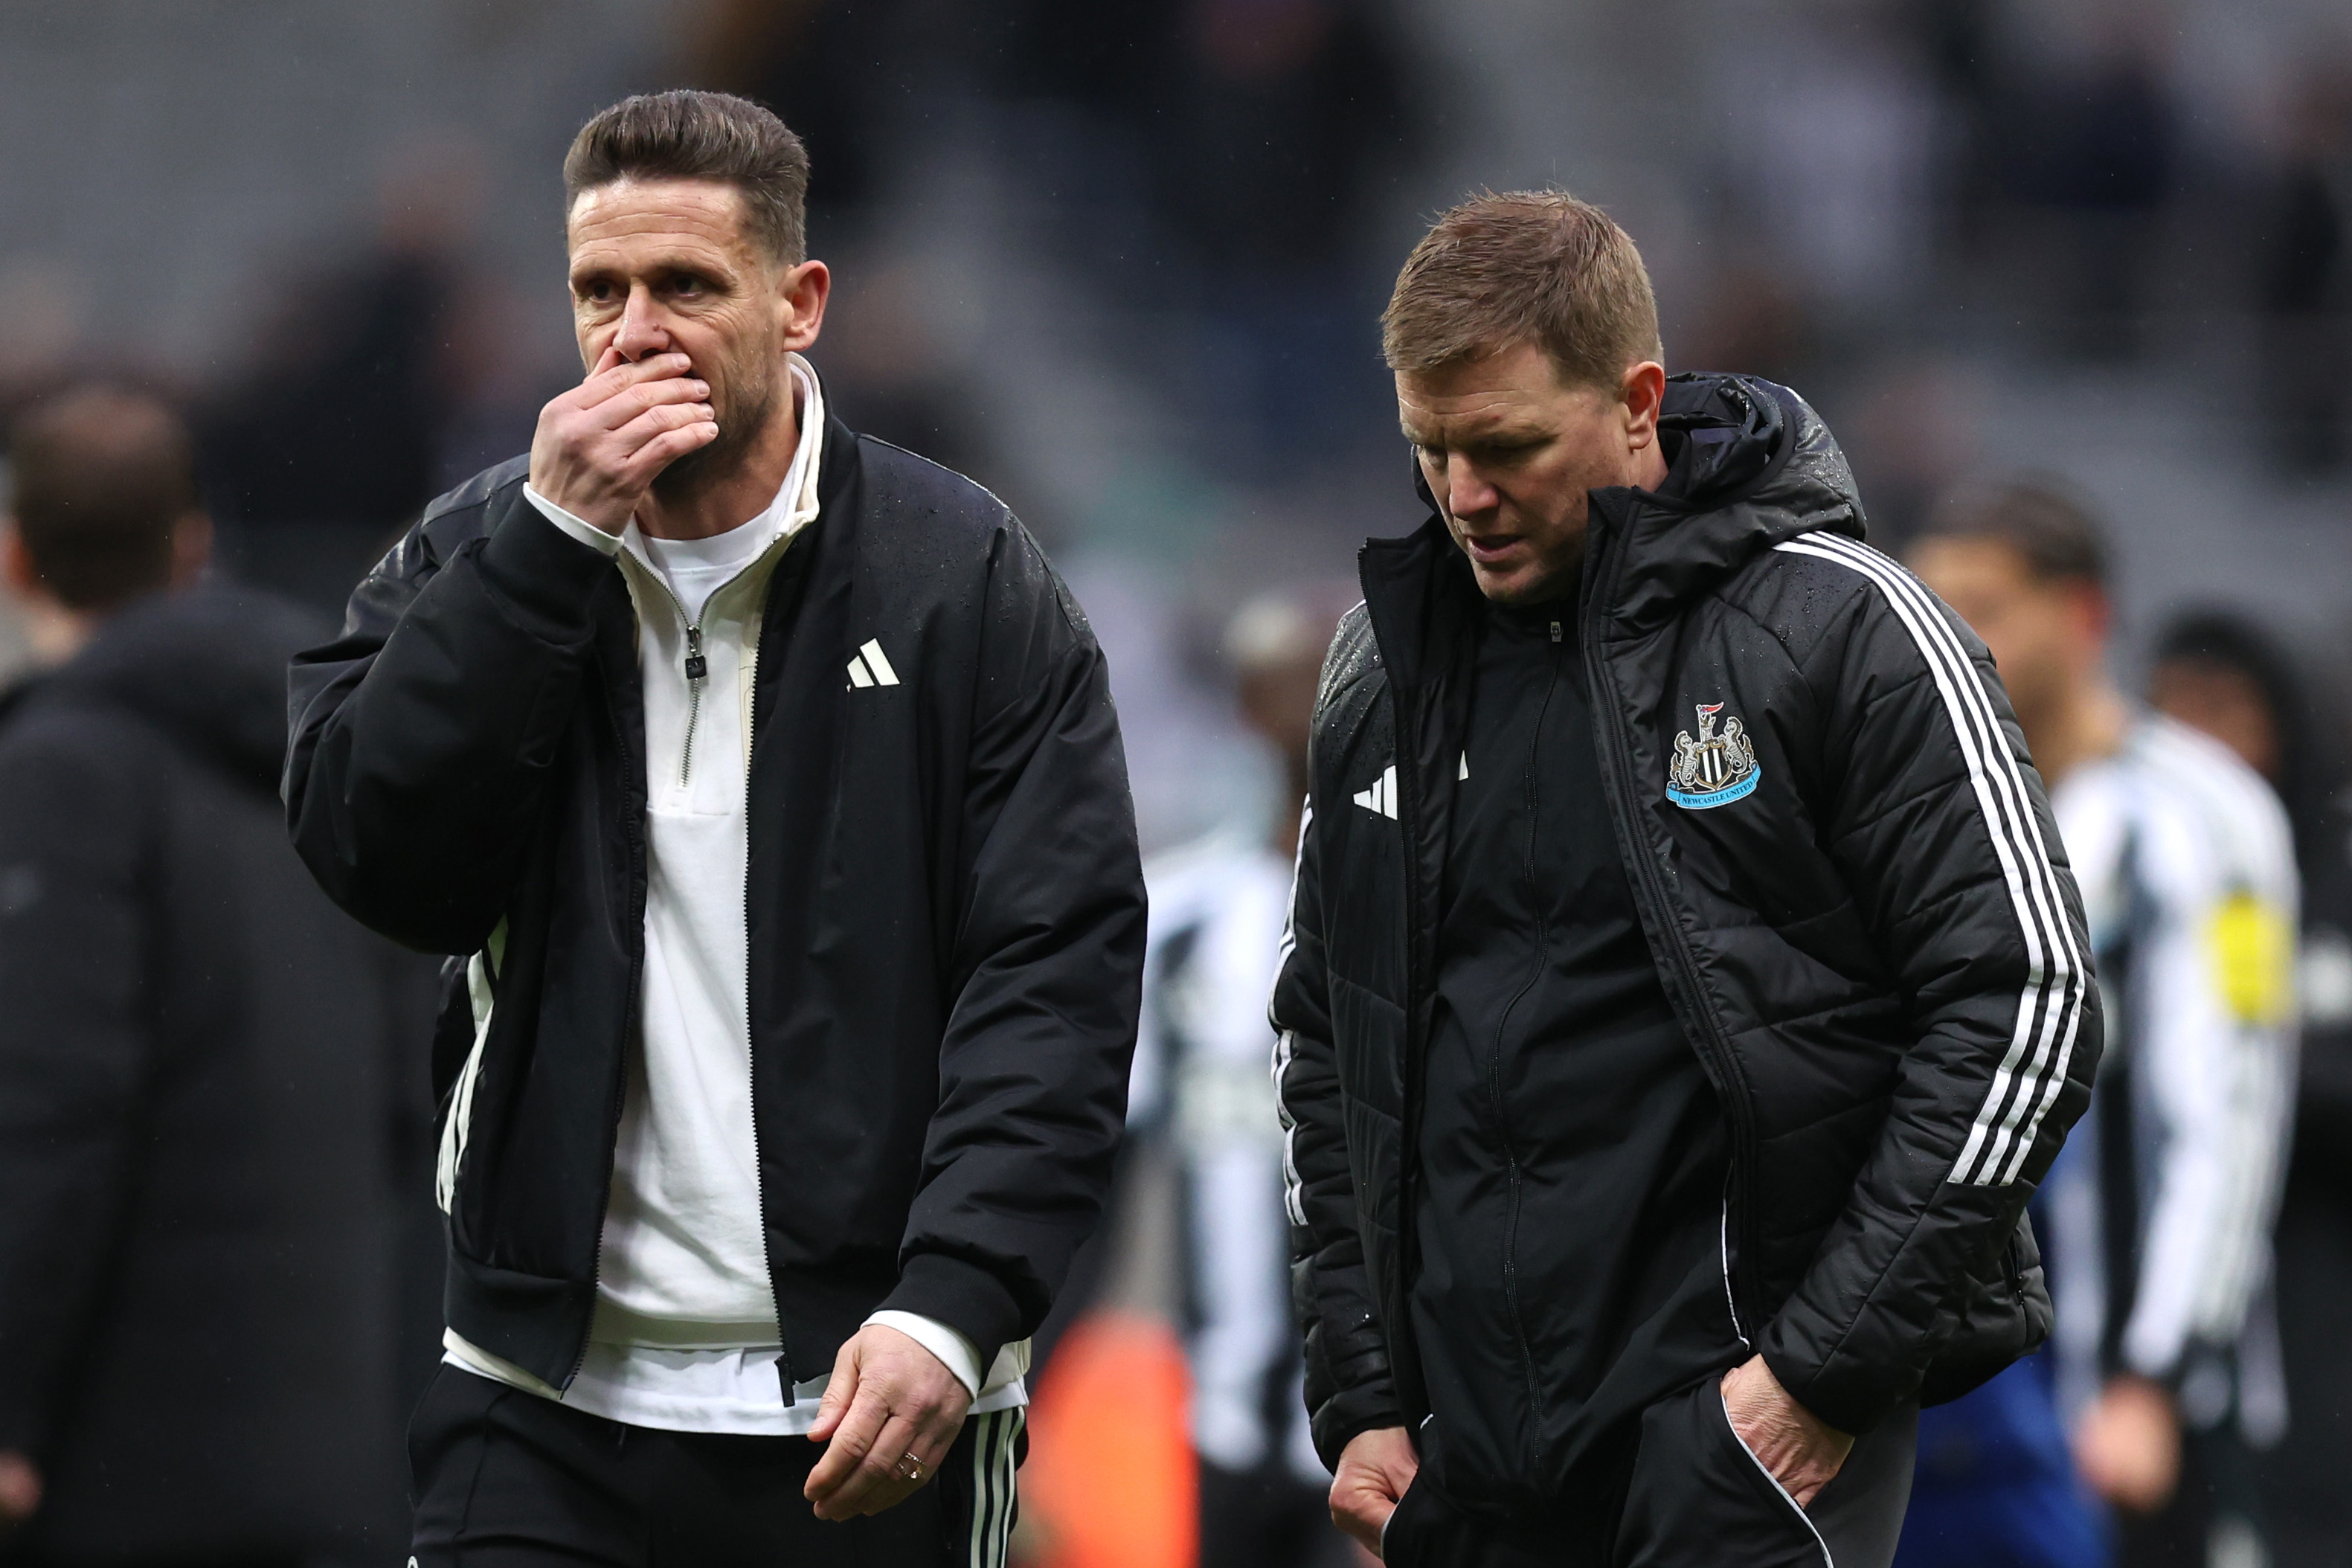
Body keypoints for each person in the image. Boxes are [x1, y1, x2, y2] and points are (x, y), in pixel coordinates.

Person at [283, 91, 1146, 1567]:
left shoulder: (964, 579)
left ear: (801, 303)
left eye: (687, 285)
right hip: (538, 1391)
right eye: (599, 292)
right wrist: (543, 558)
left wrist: (952, 1303)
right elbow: (379, 855)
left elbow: (1052, 980)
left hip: (871, 1399)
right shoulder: (477, 553)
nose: (635, 331)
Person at [1271, 190, 2100, 1568]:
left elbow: (2028, 999)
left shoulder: (1845, 625)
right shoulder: (1380, 669)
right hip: (1461, 1466)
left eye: (1508, 448)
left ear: (1639, 400)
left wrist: (1813, 1376)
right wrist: (1361, 1392)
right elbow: (1324, 1033)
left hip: (1738, 1447)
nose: (1463, 499)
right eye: (1430, 453)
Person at [0, 388, 431, 1562]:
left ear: (16, 554)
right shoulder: (341, 760)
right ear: (192, 548)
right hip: (342, 1468)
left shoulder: (60, 774)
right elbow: (422, 1110)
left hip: (118, 1473)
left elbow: (47, 1114)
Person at [1909, 486, 2298, 1568]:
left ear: (2079, 618)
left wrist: (2152, 1379)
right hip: (1957, 1407)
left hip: (2138, 1408)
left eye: (1982, 603)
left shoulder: (2207, 813)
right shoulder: (1917, 808)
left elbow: (2230, 1111)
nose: (1950, 635)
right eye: (1931, 604)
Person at [1128, 591, 1358, 1568]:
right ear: (1241, 704)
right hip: (1222, 1419)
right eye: (1279, 673)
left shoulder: (1444, 915)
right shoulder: (1178, 924)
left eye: (1326, 672)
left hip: (1401, 1437)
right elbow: (1097, 1169)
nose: (1301, 701)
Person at [2146, 609, 2352, 1568]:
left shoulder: (2331, 875)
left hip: (2319, 1293)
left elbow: (2253, 1071)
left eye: (2222, 709)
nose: (2195, 741)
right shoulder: (2137, 878)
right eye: (2171, 709)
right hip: (2178, 1314)